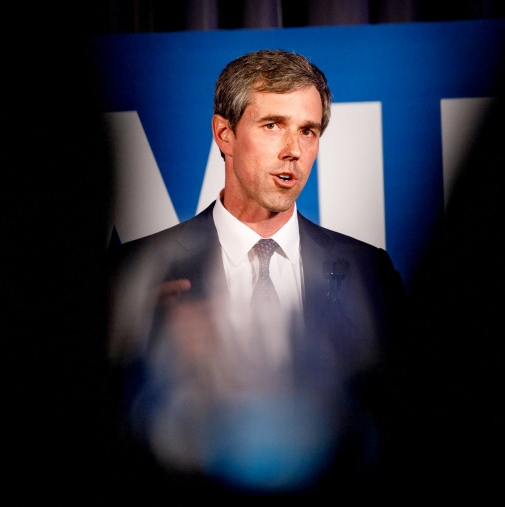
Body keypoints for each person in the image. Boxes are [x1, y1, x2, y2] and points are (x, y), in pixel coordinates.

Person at [107, 49, 406, 500]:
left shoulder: (368, 271)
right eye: (272, 126)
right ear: (224, 133)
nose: (293, 151)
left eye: (308, 131)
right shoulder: (140, 270)